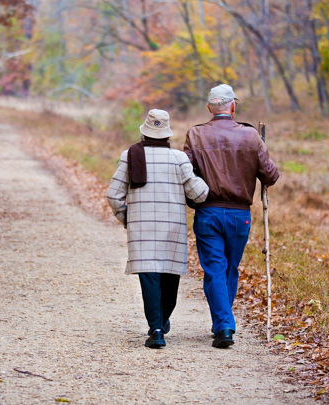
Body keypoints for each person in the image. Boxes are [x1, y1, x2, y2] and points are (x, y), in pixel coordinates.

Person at [183, 84, 279, 348]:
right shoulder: (250, 136)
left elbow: (184, 172)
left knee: (215, 269)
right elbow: (270, 175)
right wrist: (259, 150)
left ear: (209, 108)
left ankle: (222, 324)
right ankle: (223, 324)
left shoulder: (195, 134)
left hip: (208, 211)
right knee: (229, 269)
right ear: (233, 106)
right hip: (239, 215)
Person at [107, 109, 209, 349]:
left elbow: (114, 195)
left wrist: (127, 219)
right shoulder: (178, 159)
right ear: (168, 136)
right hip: (172, 228)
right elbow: (200, 194)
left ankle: (156, 329)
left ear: (143, 133)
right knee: (169, 277)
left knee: (149, 277)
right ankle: (161, 322)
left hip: (141, 230)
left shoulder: (129, 155)